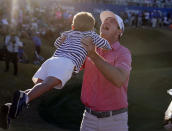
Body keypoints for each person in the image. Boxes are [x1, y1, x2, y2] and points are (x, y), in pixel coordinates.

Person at [0, 11, 111, 129]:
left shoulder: (69, 33)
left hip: (52, 60)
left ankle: (9, 108)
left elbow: (57, 43)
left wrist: (63, 37)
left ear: (73, 26)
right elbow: (106, 46)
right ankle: (23, 97)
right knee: (46, 85)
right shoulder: (91, 35)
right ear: (92, 28)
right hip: (67, 63)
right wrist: (98, 39)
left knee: (38, 88)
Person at [80, 11, 132, 131]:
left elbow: (119, 79)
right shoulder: (90, 47)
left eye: (112, 21)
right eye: (105, 20)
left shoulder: (123, 53)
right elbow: (72, 68)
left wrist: (93, 55)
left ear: (119, 32)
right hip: (88, 118)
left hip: (114, 121)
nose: (107, 21)